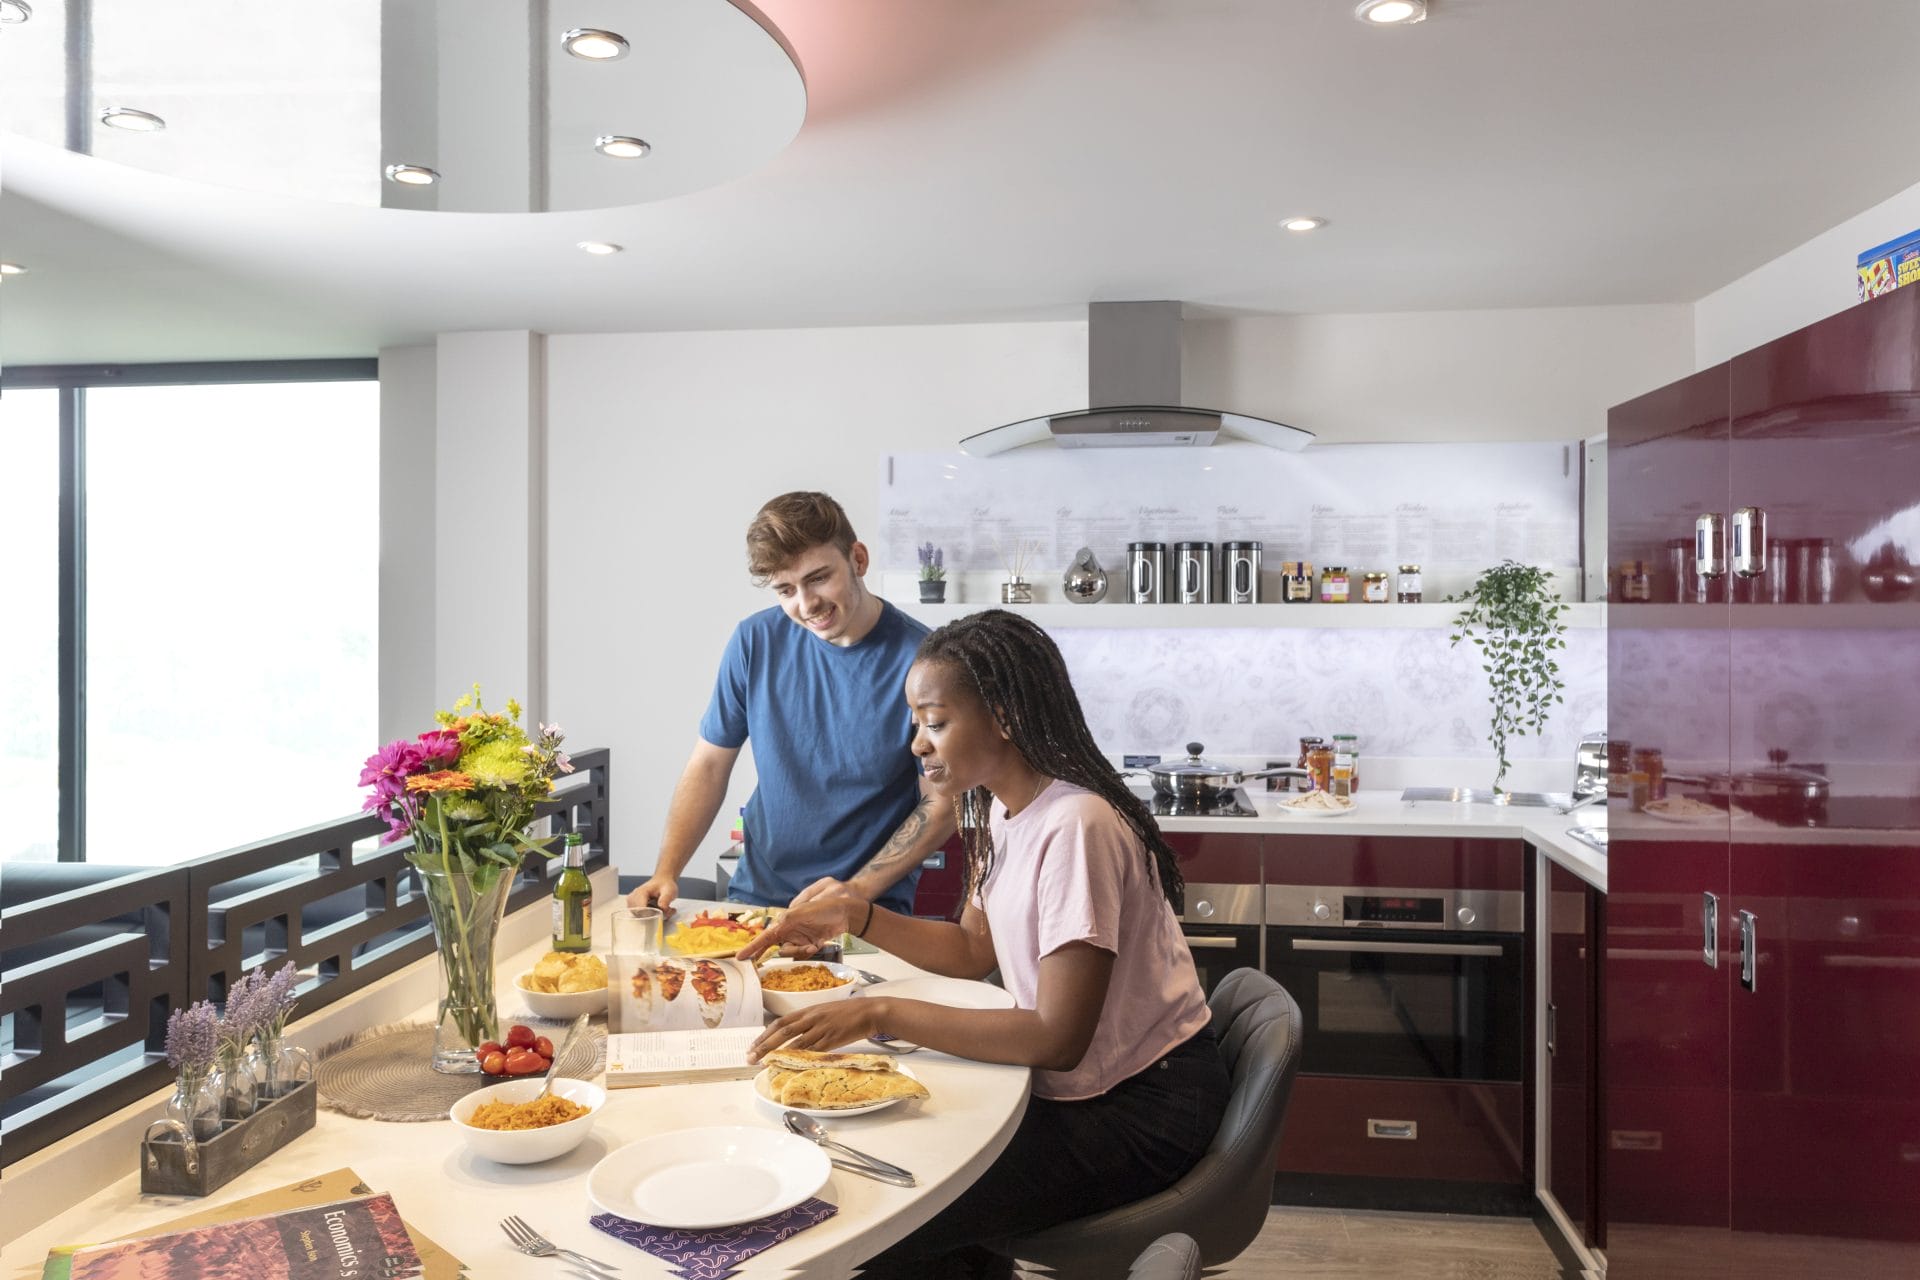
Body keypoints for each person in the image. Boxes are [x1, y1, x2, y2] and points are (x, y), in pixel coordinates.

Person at [739, 609, 1231, 1280]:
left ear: (1003, 715)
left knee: (877, 1215)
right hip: (1092, 1089)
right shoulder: (1002, 808)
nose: (917, 744)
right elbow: (973, 949)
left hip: (1142, 1107)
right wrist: (858, 914)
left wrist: (877, 1012)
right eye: (916, 723)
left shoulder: (1077, 826)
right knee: (905, 1181)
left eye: (935, 722)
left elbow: (1057, 1037)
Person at [626, 491, 955, 917]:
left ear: (858, 559)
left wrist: (855, 892)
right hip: (758, 898)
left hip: (869, 908)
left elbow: (941, 803)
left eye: (818, 578)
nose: (806, 604)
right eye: (786, 589)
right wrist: (667, 871)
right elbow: (708, 766)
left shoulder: (925, 662)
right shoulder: (754, 641)